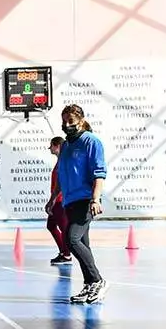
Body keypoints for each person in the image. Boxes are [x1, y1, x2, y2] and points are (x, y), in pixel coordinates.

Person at [56, 104, 109, 304]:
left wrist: (95, 199)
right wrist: (54, 198)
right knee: (83, 243)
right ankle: (89, 285)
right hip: (70, 201)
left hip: (85, 199)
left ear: (81, 120)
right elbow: (61, 174)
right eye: (64, 121)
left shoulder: (91, 142)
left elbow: (99, 173)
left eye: (70, 121)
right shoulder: (67, 145)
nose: (67, 125)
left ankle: (97, 280)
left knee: (72, 240)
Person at [43, 136, 71, 265]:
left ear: (57, 146)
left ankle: (66, 255)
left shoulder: (63, 162)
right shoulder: (60, 161)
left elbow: (60, 185)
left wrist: (52, 201)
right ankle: (63, 252)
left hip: (60, 201)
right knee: (51, 225)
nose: (49, 148)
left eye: (51, 146)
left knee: (64, 228)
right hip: (57, 200)